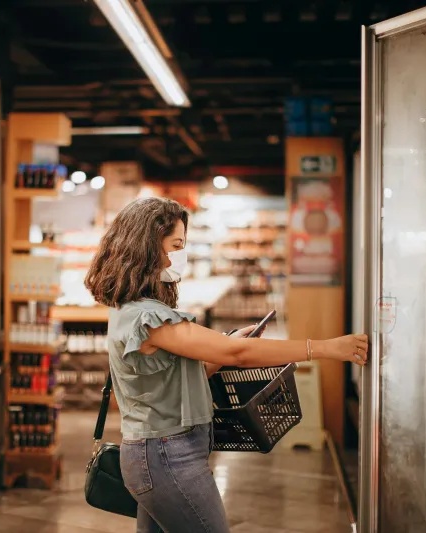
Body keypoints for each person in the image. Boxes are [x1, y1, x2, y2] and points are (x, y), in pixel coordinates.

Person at [84, 197, 368, 533]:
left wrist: (225, 348)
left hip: (161, 454)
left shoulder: (134, 309)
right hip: (166, 457)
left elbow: (180, 378)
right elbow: (238, 355)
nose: (181, 254)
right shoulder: (147, 317)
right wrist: (325, 348)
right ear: (145, 246)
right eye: (176, 245)